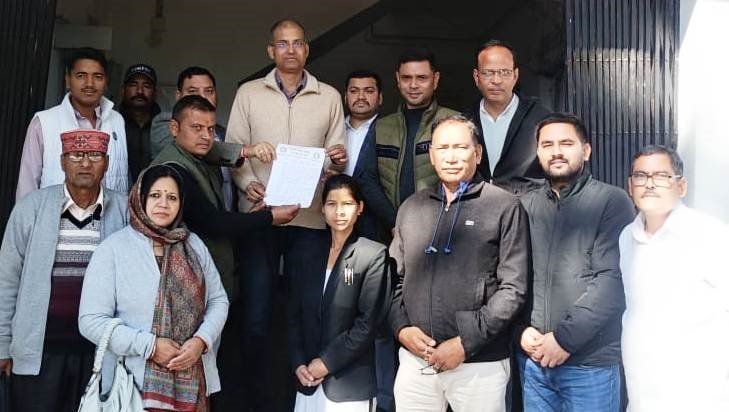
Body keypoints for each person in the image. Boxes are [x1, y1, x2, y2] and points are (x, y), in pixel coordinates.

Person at [225, 18, 346, 411]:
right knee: (256, 311)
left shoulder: (328, 96)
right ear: (270, 51)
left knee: (306, 307)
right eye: (282, 44)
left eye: (297, 43)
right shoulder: (248, 93)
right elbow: (233, 150)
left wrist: (335, 162)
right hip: (261, 215)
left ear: (307, 49)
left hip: (310, 220)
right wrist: (247, 183)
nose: (290, 50)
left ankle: (304, 394)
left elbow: (337, 156)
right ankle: (254, 396)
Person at [390, 115, 529, 412]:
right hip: (417, 360)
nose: (451, 157)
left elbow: (513, 288)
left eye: (460, 147)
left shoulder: (504, 206)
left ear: (477, 153)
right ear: (431, 155)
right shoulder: (412, 207)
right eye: (442, 148)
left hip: (479, 362)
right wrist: (401, 329)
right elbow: (394, 279)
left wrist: (466, 341)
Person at [79, 164, 229, 411]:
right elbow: (90, 321)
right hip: (132, 386)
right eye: (155, 195)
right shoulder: (113, 249)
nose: (163, 204)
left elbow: (218, 301)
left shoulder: (193, 245)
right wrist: (149, 346)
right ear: (140, 198)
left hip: (193, 382)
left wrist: (201, 341)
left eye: (172, 198)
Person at [0, 129, 128, 411]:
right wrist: (2, 344)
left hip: (100, 352)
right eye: (76, 155)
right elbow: (6, 280)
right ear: (61, 161)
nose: (85, 163)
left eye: (95, 156)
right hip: (39, 352)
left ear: (107, 163)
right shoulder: (31, 208)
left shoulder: (124, 210)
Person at [518, 113, 635, 411]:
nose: (556, 151)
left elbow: (611, 281)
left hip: (590, 363)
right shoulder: (525, 205)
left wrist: (563, 340)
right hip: (535, 361)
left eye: (566, 143)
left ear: (586, 150)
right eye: (547, 145)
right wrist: (520, 330)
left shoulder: (611, 201)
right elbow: (512, 276)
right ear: (538, 152)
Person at [152, 95, 298, 299]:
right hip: (185, 282)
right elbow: (213, 222)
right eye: (197, 128)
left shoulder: (195, 157)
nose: (206, 136)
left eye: (210, 129)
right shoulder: (173, 170)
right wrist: (270, 217)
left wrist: (253, 214)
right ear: (174, 128)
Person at [620, 145, 729, 411]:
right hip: (642, 390)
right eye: (641, 176)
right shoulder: (626, 237)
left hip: (699, 394)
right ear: (630, 187)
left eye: (661, 176)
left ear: (681, 186)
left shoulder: (709, 234)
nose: (649, 184)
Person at [288, 174, 390, 412]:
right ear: (322, 209)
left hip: (348, 384)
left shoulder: (373, 254)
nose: (339, 212)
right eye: (332, 204)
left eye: (347, 204)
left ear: (360, 208)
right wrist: (298, 363)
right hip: (308, 379)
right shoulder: (306, 252)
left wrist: (325, 363)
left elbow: (367, 324)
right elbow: (293, 315)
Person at [343, 69, 396, 412]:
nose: (361, 96)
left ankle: (384, 399)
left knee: (379, 316)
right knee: (344, 312)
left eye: (368, 90)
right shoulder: (334, 129)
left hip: (378, 232)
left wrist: (395, 223)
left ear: (380, 97)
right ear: (345, 95)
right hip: (336, 234)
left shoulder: (389, 129)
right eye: (354, 90)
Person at [363, 47, 459, 234]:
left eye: (421, 78)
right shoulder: (381, 127)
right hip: (390, 231)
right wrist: (394, 223)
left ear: (435, 79)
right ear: (398, 80)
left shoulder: (455, 123)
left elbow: (464, 180)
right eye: (406, 78)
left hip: (439, 230)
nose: (413, 85)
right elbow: (368, 180)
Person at [16, 47, 128, 199]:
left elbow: (121, 176)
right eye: (81, 76)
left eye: (97, 76)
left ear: (106, 82)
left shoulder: (117, 121)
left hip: (109, 213)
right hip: (56, 212)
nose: (90, 83)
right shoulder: (43, 122)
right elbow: (27, 185)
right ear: (68, 80)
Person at [464, 40, 550, 195]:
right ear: (476, 77)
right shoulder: (465, 121)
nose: (496, 80)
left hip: (528, 206)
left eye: (504, 72)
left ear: (515, 75)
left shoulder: (541, 119)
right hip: (480, 206)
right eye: (488, 73)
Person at [151, 66, 242, 211]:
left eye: (209, 91)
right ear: (178, 95)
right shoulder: (163, 122)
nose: (202, 97)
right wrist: (244, 151)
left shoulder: (224, 132)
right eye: (193, 91)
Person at [119, 63, 161, 183]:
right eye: (133, 85)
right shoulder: (113, 125)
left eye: (146, 86)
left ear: (155, 93)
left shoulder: (164, 127)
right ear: (123, 91)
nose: (140, 91)